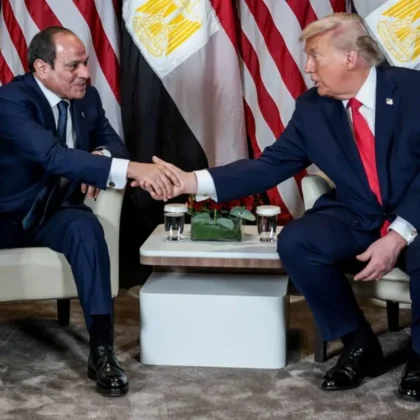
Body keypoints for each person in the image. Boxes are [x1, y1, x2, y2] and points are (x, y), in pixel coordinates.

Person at [138, 13, 420, 401]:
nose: (308, 68)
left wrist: (399, 235)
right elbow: (268, 166)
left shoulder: (412, 91)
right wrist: (189, 182)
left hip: (413, 214)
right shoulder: (312, 108)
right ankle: (358, 342)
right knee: (297, 242)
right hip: (357, 213)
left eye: (315, 56)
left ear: (350, 57)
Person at [0, 27, 180, 397]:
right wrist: (132, 170)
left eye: (85, 63)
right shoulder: (11, 101)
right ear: (42, 68)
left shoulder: (88, 98)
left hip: (55, 212)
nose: (85, 73)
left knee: (88, 229)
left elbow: (116, 146)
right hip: (5, 214)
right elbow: (52, 157)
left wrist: (101, 158)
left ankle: (102, 350)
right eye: (73, 66)